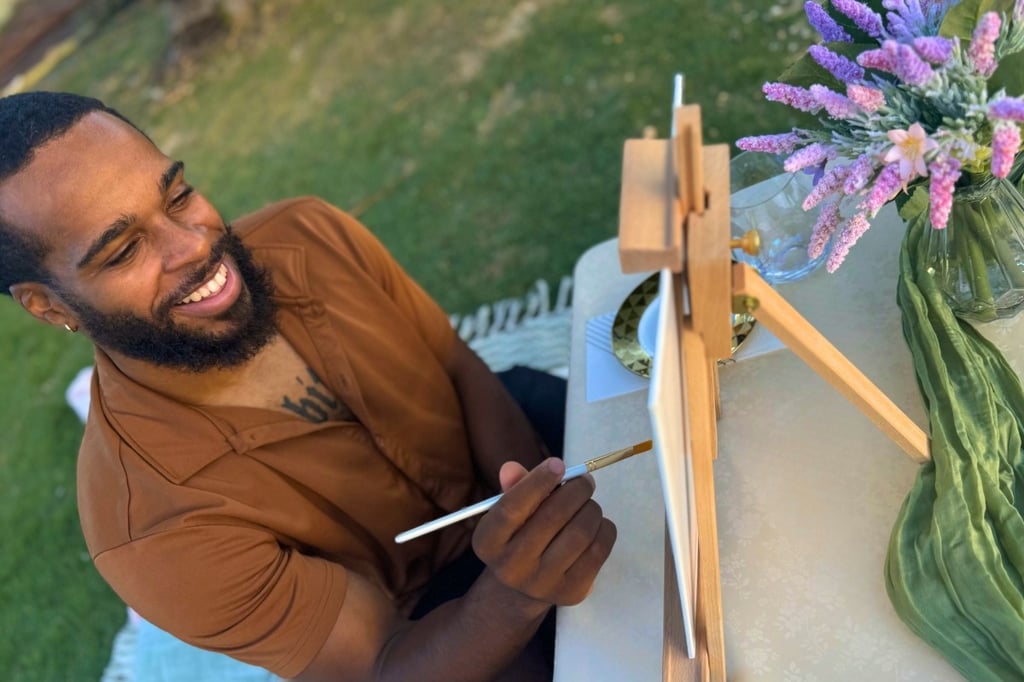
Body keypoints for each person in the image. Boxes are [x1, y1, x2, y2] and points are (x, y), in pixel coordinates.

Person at [0, 91, 617, 681]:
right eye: (124, 251)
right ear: (49, 306)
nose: (194, 245)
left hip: (513, 445)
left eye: (179, 195)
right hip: (430, 631)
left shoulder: (309, 232)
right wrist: (516, 597)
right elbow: (382, 665)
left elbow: (457, 366)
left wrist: (543, 497)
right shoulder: (153, 529)